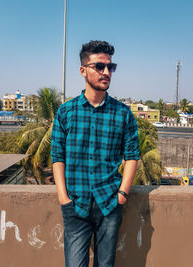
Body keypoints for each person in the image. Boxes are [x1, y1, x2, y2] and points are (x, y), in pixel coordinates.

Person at [51, 40, 140, 267]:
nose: (106, 72)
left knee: (105, 265)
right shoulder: (66, 112)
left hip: (110, 203)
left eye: (111, 67)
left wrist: (122, 195)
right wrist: (64, 198)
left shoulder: (123, 114)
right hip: (75, 205)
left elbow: (132, 156)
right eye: (99, 66)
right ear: (83, 71)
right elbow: (57, 156)